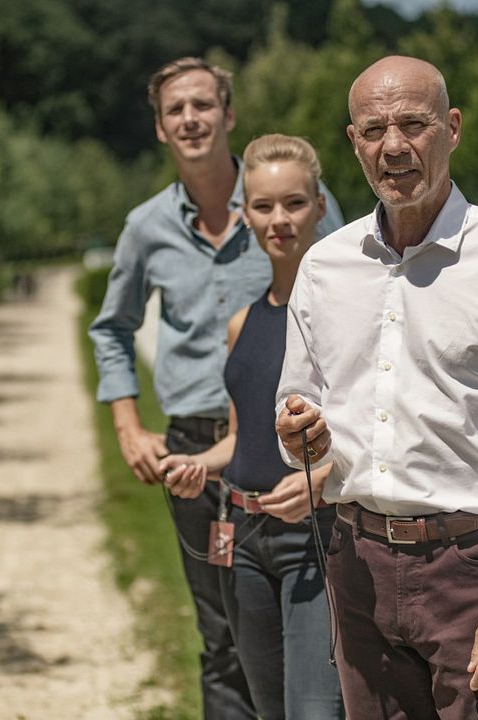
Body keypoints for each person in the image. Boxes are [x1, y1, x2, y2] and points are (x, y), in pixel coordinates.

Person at [274, 55, 478, 720]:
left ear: (451, 128)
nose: (393, 147)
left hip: (471, 570)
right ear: (352, 141)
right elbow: (297, 416)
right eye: (373, 129)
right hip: (354, 564)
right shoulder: (324, 267)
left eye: (413, 125)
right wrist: (299, 432)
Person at [88, 57, 343, 718]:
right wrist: (127, 425)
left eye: (203, 105)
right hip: (202, 457)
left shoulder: (285, 200)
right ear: (159, 129)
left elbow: (353, 302)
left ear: (228, 115)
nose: (190, 119)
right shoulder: (147, 228)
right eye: (176, 110)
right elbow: (111, 327)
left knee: (308, 639)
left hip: (298, 456)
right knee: (222, 638)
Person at [158, 134, 345, 720]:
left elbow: (377, 430)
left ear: (319, 206)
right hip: (242, 539)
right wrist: (195, 465)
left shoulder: (347, 315)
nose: (279, 220)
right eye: (263, 207)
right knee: (267, 709)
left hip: (313, 538)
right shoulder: (243, 322)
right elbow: (243, 438)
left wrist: (328, 473)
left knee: (314, 711)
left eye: (293, 203)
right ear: (245, 216)